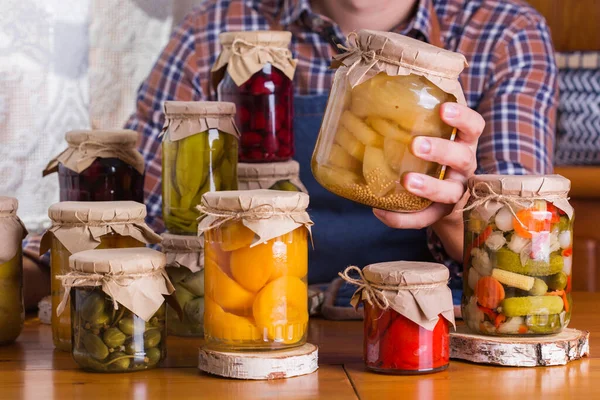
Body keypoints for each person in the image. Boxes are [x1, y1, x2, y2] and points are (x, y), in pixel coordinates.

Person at [23, 0, 557, 309]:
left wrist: (460, 211)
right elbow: (138, 220)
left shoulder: (505, 33)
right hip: (235, 324)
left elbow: (528, 255)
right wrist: (27, 261)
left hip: (427, 335)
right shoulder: (219, 32)